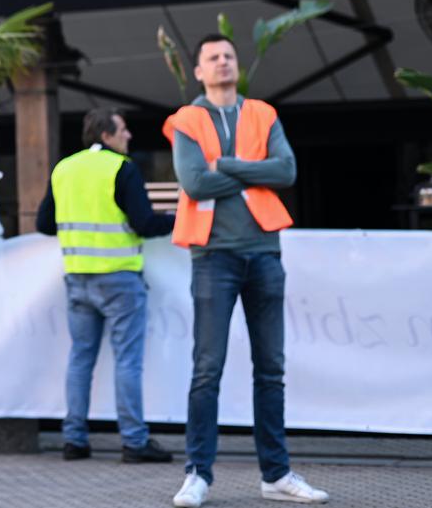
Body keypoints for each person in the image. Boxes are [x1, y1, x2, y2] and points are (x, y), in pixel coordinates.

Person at [166, 35, 328, 507]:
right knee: (207, 369)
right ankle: (197, 473)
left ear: (237, 65)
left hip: (264, 253)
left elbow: (287, 172)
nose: (222, 62)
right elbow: (194, 181)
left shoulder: (263, 113)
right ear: (198, 71)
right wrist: (254, 169)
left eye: (228, 56)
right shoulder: (187, 120)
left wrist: (231, 166)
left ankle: (275, 475)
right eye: (212, 58)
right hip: (213, 256)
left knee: (271, 369)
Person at [35, 108, 174, 465]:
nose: (128, 136)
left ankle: (74, 440)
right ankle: (134, 442)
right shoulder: (121, 168)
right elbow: (143, 222)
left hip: (78, 278)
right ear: (107, 135)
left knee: (81, 358)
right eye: (123, 130)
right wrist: (179, 220)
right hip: (119, 279)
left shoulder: (63, 168)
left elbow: (44, 224)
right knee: (128, 361)